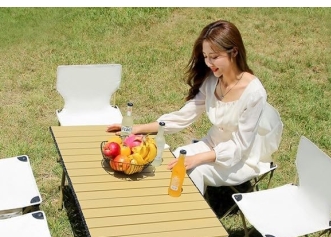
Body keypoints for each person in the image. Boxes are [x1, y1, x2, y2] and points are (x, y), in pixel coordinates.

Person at [107, 20, 279, 195]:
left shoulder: (254, 93)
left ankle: (187, 211)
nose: (208, 63)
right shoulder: (212, 81)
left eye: (214, 57)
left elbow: (240, 146)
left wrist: (197, 158)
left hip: (240, 158)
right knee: (175, 158)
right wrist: (138, 128)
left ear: (234, 51)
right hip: (211, 145)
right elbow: (183, 116)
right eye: (205, 56)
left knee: (195, 170)